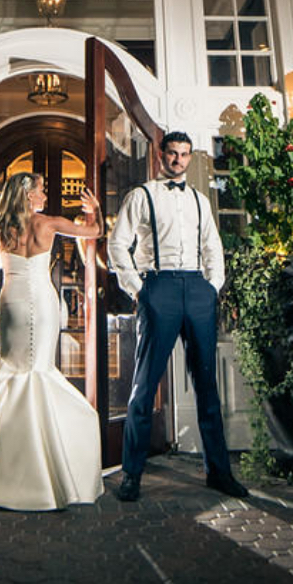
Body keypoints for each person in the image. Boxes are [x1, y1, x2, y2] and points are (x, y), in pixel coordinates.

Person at [0, 172, 104, 511]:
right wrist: (94, 211)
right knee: (38, 369)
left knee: (12, 368)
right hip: (42, 302)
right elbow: (94, 233)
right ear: (28, 195)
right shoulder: (49, 223)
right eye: (40, 191)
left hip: (11, 302)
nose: (44, 195)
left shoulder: (0, 228)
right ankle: (42, 468)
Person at [107, 131, 249, 502]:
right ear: (160, 155)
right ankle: (132, 474)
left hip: (197, 290)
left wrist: (212, 287)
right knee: (144, 386)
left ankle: (218, 472)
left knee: (207, 386)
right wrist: (138, 289)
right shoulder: (142, 196)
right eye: (172, 154)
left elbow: (212, 247)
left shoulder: (201, 200)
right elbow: (117, 243)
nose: (178, 161)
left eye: (184, 155)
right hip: (159, 288)